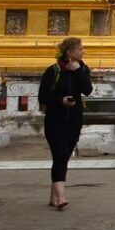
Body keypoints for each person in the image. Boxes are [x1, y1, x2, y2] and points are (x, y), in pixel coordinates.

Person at [40, 38, 93, 210]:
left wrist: (79, 71)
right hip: (55, 120)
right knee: (61, 154)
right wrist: (60, 101)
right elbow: (43, 97)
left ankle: (53, 195)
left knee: (63, 157)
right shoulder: (53, 71)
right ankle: (61, 197)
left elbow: (87, 90)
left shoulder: (82, 69)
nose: (82, 52)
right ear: (69, 53)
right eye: (79, 49)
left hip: (74, 120)